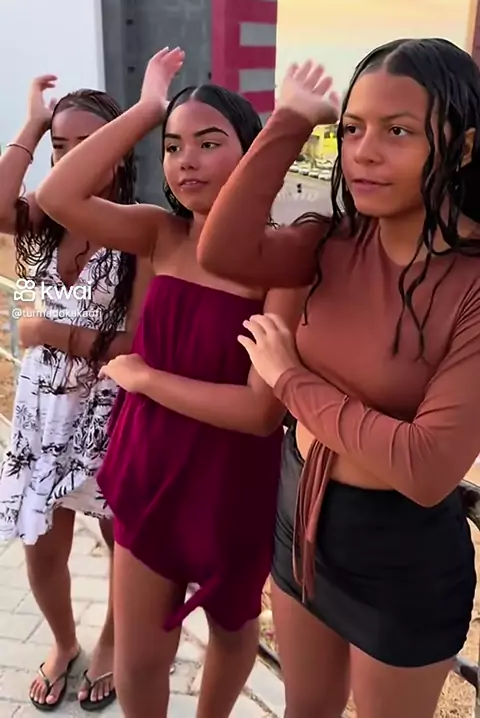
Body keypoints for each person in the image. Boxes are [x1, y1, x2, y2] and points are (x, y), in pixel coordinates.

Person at [197, 40, 480, 718]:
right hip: (300, 515)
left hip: (401, 560)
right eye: (352, 129)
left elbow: (426, 467)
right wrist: (291, 121)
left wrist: (290, 380)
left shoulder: (471, 284)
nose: (364, 153)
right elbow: (223, 250)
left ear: (464, 148)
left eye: (398, 132)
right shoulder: (334, 242)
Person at [35, 47, 301, 718]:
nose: (186, 161)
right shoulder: (160, 233)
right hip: (147, 473)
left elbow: (260, 411)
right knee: (138, 662)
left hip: (230, 488)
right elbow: (58, 196)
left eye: (209, 143)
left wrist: (147, 379)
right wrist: (147, 108)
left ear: (252, 155)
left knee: (232, 629)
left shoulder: (282, 261)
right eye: (173, 146)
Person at [0, 78, 150, 711]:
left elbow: (135, 345)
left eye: (89, 143)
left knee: (120, 544)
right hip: (39, 411)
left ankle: (112, 642)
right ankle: (64, 642)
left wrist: (46, 332)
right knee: (40, 547)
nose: (72, 157)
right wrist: (32, 126)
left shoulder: (141, 231)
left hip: (107, 413)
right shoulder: (46, 216)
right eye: (61, 146)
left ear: (119, 149)